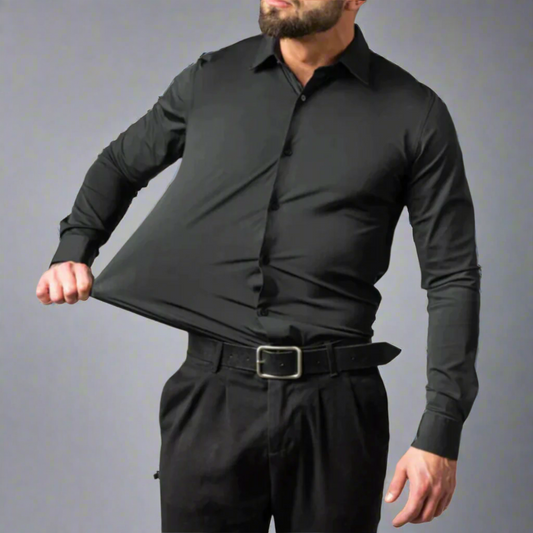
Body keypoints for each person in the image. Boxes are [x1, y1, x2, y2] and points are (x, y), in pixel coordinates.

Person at [36, 0, 482, 531]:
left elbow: (452, 276)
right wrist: (75, 249)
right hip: (211, 398)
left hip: (337, 409)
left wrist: (441, 431)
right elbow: (119, 164)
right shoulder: (211, 78)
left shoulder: (415, 112)